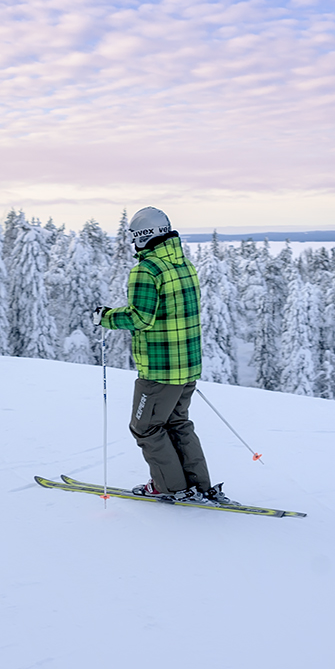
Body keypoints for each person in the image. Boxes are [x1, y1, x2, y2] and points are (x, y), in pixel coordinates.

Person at [92, 207, 231, 504]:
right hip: (188, 366)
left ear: (145, 235)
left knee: (146, 427)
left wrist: (106, 317)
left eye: (133, 236)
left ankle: (170, 486)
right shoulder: (183, 265)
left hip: (160, 370)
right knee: (178, 423)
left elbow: (141, 317)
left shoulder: (147, 269)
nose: (132, 242)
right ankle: (198, 485)